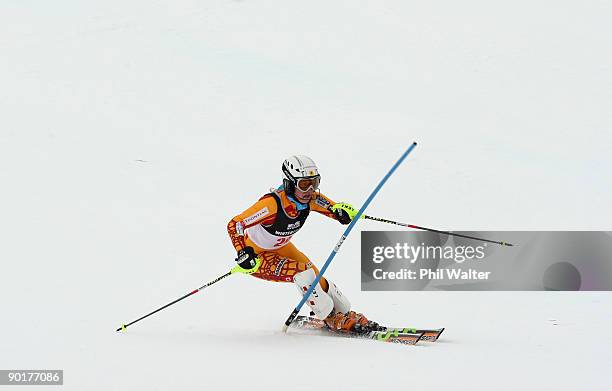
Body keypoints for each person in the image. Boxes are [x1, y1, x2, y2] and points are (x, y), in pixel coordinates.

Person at [227, 155, 375, 332]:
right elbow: (235, 224)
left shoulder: (311, 199)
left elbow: (334, 209)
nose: (310, 190)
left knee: (314, 274)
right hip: (258, 258)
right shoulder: (272, 204)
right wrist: (243, 252)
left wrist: (343, 213)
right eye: (304, 184)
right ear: (289, 183)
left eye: (315, 182)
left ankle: (342, 312)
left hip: (280, 247)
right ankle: (329, 317)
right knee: (302, 273)